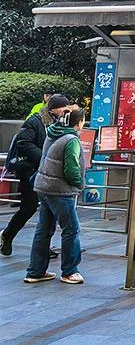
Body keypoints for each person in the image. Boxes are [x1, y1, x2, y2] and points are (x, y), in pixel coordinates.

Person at [1, 94, 70, 257]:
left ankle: (42, 247)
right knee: (29, 207)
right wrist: (44, 158)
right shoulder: (35, 121)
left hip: (48, 172)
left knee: (48, 211)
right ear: (53, 108)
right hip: (31, 171)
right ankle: (7, 236)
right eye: (63, 108)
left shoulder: (59, 123)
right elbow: (24, 142)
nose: (65, 111)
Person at [25, 106, 88, 284]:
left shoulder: (52, 134)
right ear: (79, 122)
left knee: (43, 230)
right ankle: (70, 271)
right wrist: (80, 184)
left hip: (44, 187)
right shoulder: (71, 140)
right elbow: (71, 169)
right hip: (60, 191)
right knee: (71, 229)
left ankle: (35, 271)